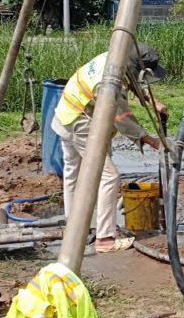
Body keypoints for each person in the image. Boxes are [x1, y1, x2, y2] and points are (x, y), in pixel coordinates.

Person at [52, 43, 169, 252]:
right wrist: (152, 141)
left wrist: (152, 101)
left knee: (74, 174)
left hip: (66, 113)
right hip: (80, 122)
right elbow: (121, 118)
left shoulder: (114, 56)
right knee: (109, 176)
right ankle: (105, 239)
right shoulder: (110, 83)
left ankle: (74, 229)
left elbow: (132, 79)